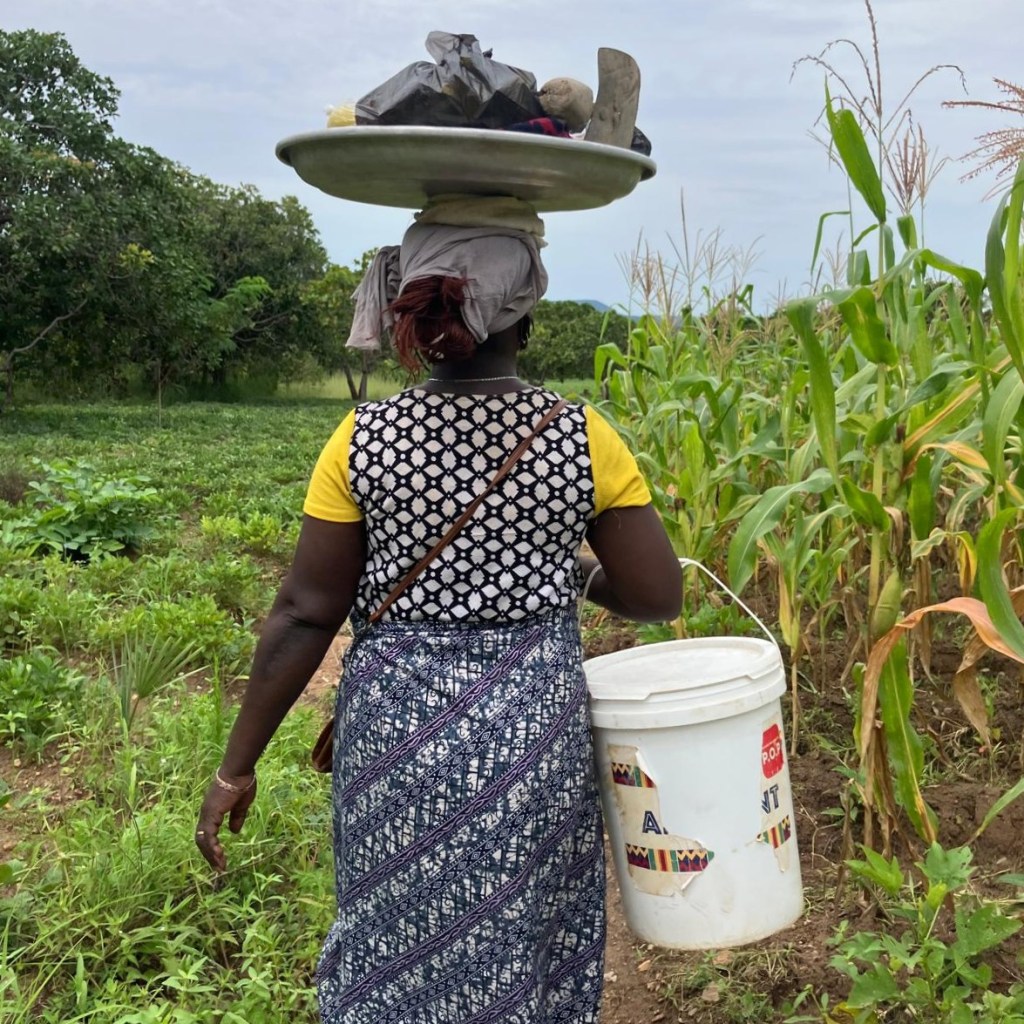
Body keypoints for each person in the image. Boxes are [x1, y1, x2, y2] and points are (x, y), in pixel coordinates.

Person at [195, 207, 682, 1023]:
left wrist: (234, 768)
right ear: (523, 312)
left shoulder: (361, 440)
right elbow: (655, 595)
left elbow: (304, 614)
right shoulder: (582, 436)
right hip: (533, 741)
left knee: (390, 932)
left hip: (394, 742)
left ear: (408, 309)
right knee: (523, 932)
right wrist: (563, 573)